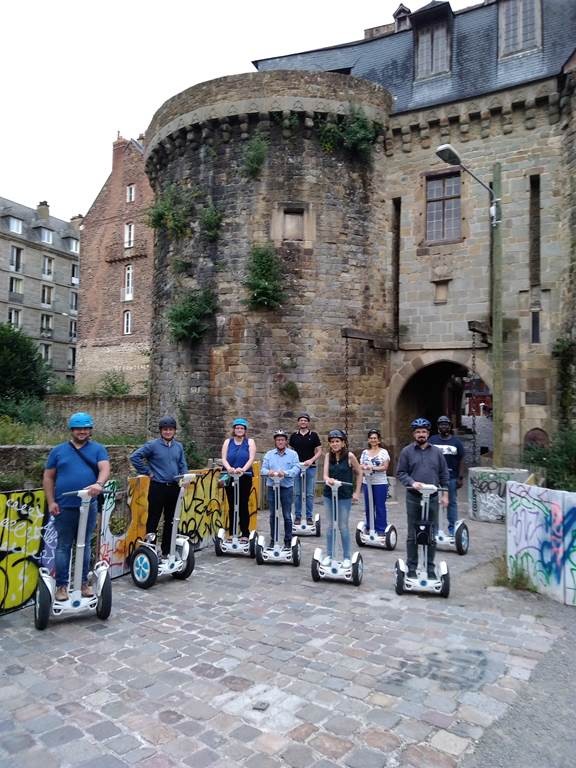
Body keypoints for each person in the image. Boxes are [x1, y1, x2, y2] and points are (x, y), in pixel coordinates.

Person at [43, 412, 110, 602]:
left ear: (90, 430)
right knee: (64, 546)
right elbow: (48, 477)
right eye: (78, 428)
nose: (82, 432)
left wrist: (99, 483)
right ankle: (62, 586)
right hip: (64, 506)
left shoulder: (98, 449)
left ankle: (83, 583)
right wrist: (51, 502)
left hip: (88, 505)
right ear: (72, 430)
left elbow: (104, 468)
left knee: (85, 544)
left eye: (85, 428)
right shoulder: (58, 451)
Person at [396, 418, 449, 580]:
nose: (421, 434)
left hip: (432, 497)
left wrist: (445, 494)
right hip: (414, 497)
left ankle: (430, 568)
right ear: (414, 434)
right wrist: (412, 482)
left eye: (424, 432)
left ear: (428, 433)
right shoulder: (407, 452)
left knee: (431, 534)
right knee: (413, 534)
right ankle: (412, 567)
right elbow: (401, 473)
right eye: (418, 432)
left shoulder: (437, 452)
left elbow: (444, 474)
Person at [130, 416, 188, 557]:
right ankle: (151, 550)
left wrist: (185, 477)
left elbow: (182, 464)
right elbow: (135, 457)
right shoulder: (152, 445)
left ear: (174, 431)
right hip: (158, 487)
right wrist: (146, 472)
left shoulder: (178, 446)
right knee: (154, 519)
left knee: (171, 520)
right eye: (165, 429)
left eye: (170, 429)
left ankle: (167, 550)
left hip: (174, 487)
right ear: (161, 431)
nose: (168, 432)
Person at [322, 429, 362, 567]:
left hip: (344, 495)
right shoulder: (328, 456)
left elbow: (359, 472)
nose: (335, 444)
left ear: (343, 442)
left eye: (337, 441)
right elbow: (325, 475)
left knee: (343, 526)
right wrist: (329, 480)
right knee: (330, 526)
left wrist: (357, 492)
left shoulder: (350, 456)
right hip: (329, 494)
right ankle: (329, 555)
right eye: (332, 442)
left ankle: (346, 557)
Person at [261, 430, 301, 547]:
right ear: (275, 441)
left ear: (286, 441)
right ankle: (274, 540)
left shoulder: (293, 454)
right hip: (272, 487)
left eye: (282, 440)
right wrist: (270, 472)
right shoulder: (269, 454)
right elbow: (262, 470)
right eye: (278, 440)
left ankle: (288, 541)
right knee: (273, 514)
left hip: (286, 487)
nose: (280, 442)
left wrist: (286, 473)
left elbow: (296, 468)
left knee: (287, 515)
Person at [220, 418, 256, 540]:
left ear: (245, 430)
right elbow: (224, 458)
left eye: (242, 428)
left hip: (244, 476)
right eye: (237, 428)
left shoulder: (250, 442)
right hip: (230, 475)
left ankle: (245, 533)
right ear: (234, 430)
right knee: (231, 504)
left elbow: (251, 458)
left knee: (243, 504)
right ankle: (232, 532)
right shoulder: (227, 442)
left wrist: (243, 469)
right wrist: (229, 468)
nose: (239, 430)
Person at [429, 415, 465, 535]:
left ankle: (452, 529)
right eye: (441, 424)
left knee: (451, 503)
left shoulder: (456, 442)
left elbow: (461, 460)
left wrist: (460, 477)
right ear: (438, 427)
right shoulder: (432, 440)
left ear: (450, 426)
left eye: (446, 424)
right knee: (434, 504)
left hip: (452, 477)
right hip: (435, 478)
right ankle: (434, 530)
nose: (444, 426)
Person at [289, 413, 322, 524]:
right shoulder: (294, 436)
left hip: (310, 467)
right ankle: (298, 516)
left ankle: (309, 517)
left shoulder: (313, 435)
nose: (303, 422)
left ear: (308, 422)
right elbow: (290, 451)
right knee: (297, 493)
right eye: (301, 420)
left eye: (305, 420)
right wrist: (294, 463)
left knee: (309, 493)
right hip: (297, 467)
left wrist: (311, 460)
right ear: (298, 422)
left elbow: (319, 451)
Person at [360, 429, 390, 534]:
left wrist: (372, 468)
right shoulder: (364, 453)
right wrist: (364, 467)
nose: (373, 440)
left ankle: (381, 528)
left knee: (380, 505)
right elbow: (361, 465)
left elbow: (385, 467)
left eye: (375, 438)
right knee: (369, 506)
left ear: (378, 440)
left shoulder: (384, 452)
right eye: (371, 438)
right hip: (367, 482)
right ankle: (369, 526)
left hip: (380, 483)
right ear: (368, 440)